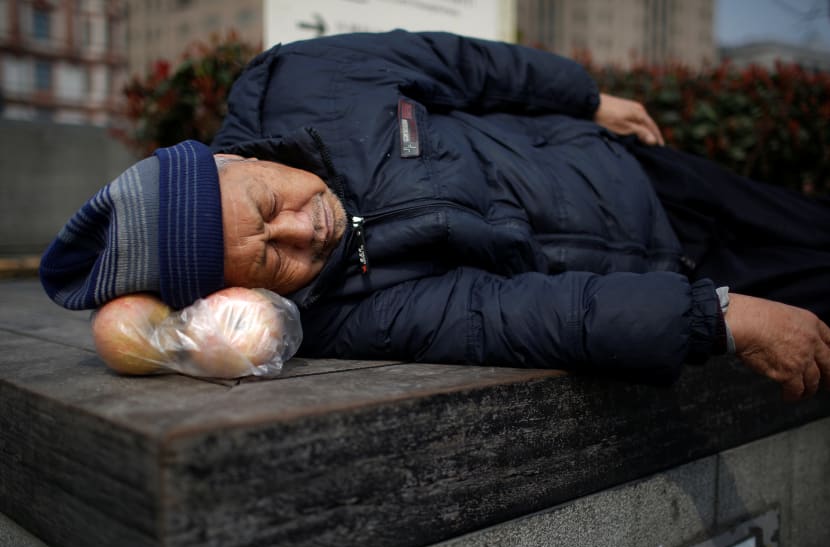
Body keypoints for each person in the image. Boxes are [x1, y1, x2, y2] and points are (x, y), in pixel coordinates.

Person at [40, 30, 830, 399]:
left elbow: (466, 65)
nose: (302, 229)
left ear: (234, 158)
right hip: (665, 271)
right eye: (272, 258)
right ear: (244, 293)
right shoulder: (337, 310)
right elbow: (510, 314)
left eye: (268, 205)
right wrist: (713, 318)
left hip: (631, 170)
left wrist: (589, 96)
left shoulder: (302, 79)